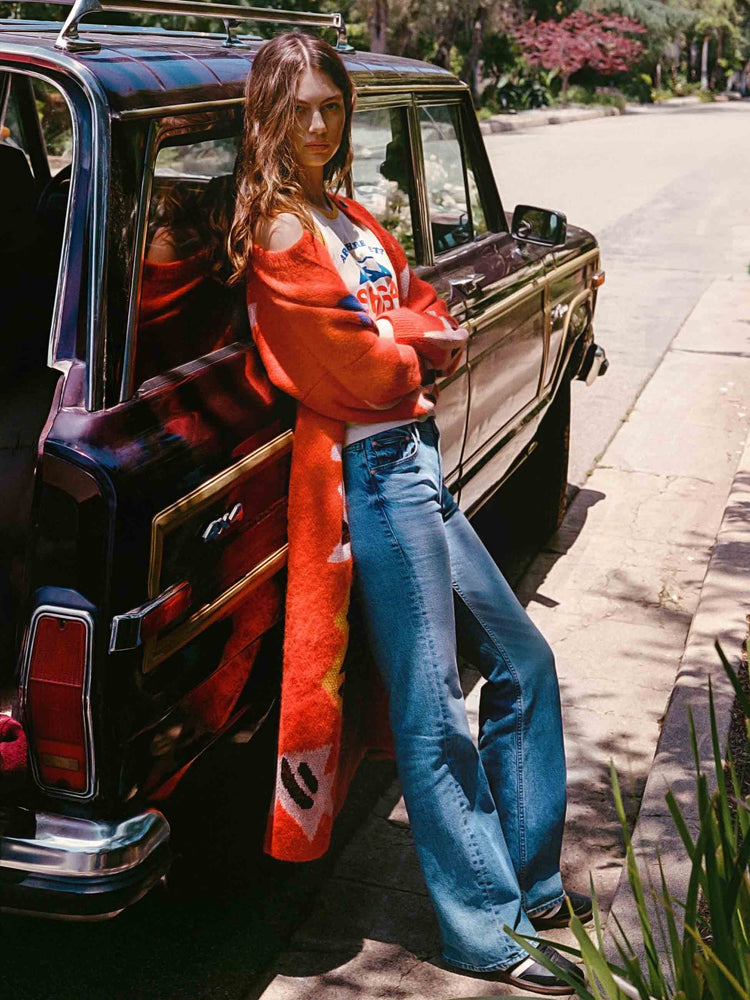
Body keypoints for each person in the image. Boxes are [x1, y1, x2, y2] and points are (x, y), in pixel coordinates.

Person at [228, 31, 590, 995]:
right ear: (268, 113)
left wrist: (405, 336)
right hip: (375, 479)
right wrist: (406, 344)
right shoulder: (275, 232)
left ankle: (532, 878)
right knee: (434, 709)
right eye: (298, 106)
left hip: (415, 461)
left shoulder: (344, 216)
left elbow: (433, 317)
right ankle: (482, 927)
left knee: (524, 660)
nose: (317, 123)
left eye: (331, 106)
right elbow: (358, 369)